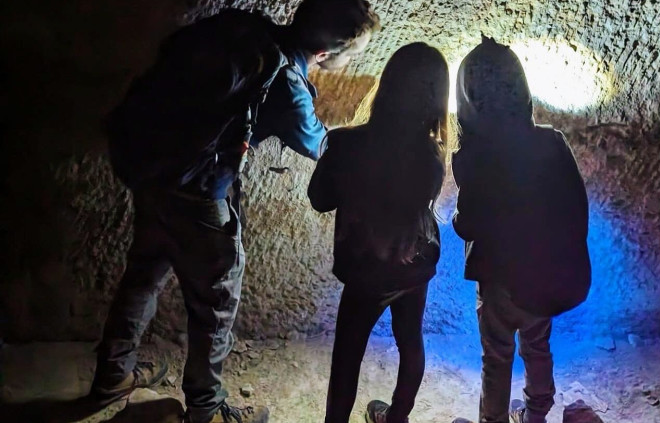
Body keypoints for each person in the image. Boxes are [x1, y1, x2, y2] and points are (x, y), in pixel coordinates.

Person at [90, 2, 380, 423]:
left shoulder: (245, 31)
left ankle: (113, 375)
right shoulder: (286, 81)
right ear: (324, 54)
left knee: (143, 275)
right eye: (351, 56)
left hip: (154, 175)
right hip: (200, 194)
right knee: (216, 303)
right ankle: (206, 410)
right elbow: (320, 145)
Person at [308, 42, 455, 423]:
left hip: (365, 266)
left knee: (347, 355)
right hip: (413, 262)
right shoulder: (432, 156)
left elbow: (320, 199)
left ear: (387, 86)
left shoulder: (347, 143)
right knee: (411, 341)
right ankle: (397, 417)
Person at [450, 36, 591, 423]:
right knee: (537, 345)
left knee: (497, 357)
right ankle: (536, 413)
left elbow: (468, 225)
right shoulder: (552, 142)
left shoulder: (474, 156)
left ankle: (493, 419)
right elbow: (576, 205)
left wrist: (456, 219)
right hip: (543, 276)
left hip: (499, 283)